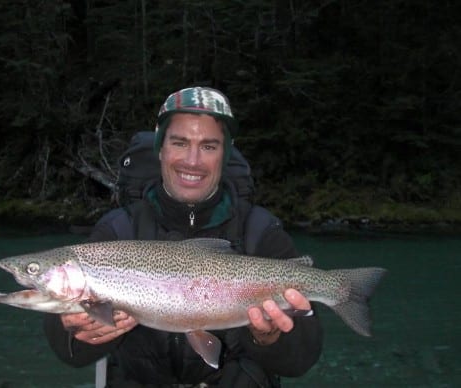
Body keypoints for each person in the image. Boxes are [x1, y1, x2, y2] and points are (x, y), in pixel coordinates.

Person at [43, 86, 323, 387]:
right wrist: (73, 329)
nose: (192, 161)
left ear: (224, 155)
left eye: (209, 146)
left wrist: (268, 339)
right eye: (180, 142)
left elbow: (301, 361)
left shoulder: (261, 232)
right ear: (161, 149)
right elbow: (73, 356)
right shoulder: (118, 230)